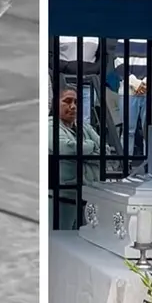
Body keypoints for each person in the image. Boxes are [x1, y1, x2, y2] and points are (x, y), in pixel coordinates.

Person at [48, 88, 101, 230]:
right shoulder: (50, 125)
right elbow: (67, 149)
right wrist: (91, 145)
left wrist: (81, 156)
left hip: (88, 197)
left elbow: (105, 151)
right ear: (55, 104)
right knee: (61, 240)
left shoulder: (85, 127)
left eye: (76, 102)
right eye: (67, 101)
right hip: (63, 198)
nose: (73, 106)